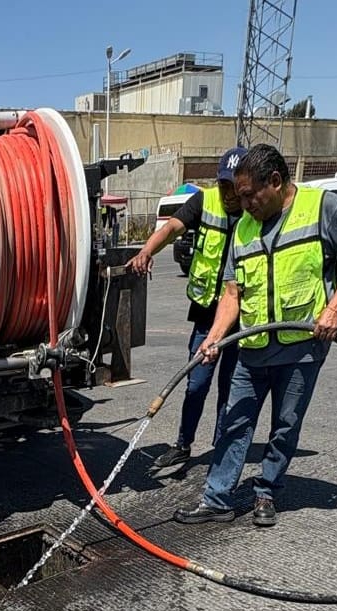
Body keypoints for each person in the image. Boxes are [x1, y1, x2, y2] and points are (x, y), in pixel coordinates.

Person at [174, 144, 337, 527]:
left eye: (250, 195)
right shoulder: (244, 229)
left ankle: (266, 490)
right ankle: (217, 498)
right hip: (253, 347)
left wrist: (334, 308)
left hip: (301, 348)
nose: (243, 203)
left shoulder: (322, 208)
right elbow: (233, 293)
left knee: (285, 424)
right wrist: (214, 336)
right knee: (235, 421)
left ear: (276, 182)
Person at [126, 147, 248, 469]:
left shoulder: (256, 209)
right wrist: (146, 252)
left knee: (230, 390)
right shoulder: (204, 201)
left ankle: (222, 448)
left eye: (234, 187)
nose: (229, 193)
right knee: (196, 384)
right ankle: (183, 444)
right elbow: (170, 229)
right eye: (224, 185)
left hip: (244, 318)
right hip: (208, 315)